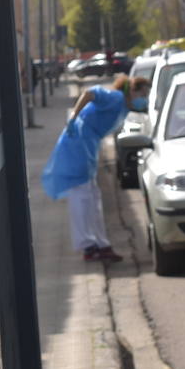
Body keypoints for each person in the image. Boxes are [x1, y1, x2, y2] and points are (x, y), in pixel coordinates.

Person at [43, 73, 151, 262]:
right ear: (132, 91)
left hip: (88, 144)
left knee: (92, 196)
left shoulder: (124, 108)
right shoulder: (115, 98)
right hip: (78, 142)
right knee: (82, 195)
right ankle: (88, 245)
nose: (144, 99)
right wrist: (74, 116)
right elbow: (89, 93)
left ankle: (100, 244)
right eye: (143, 94)